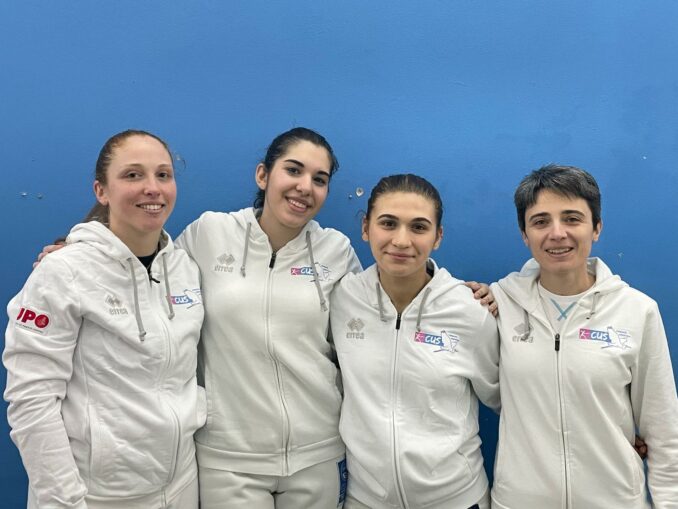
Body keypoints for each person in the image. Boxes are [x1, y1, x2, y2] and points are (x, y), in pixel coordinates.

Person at [3, 130, 206, 508]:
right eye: (133, 175)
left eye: (163, 175)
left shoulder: (184, 268)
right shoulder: (63, 271)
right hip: (96, 496)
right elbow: (32, 400)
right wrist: (64, 501)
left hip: (181, 486)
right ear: (102, 191)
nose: (152, 187)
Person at [490, 164, 678, 508]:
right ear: (524, 234)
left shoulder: (637, 311)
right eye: (540, 221)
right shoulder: (499, 303)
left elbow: (664, 429)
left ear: (597, 228)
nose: (557, 233)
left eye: (572, 219)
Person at [330, 174, 500, 509]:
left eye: (419, 227)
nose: (401, 240)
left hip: (456, 498)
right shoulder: (342, 298)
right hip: (365, 499)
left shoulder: (469, 311)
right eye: (388, 223)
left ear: (438, 237)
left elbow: (506, 399)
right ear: (365, 228)